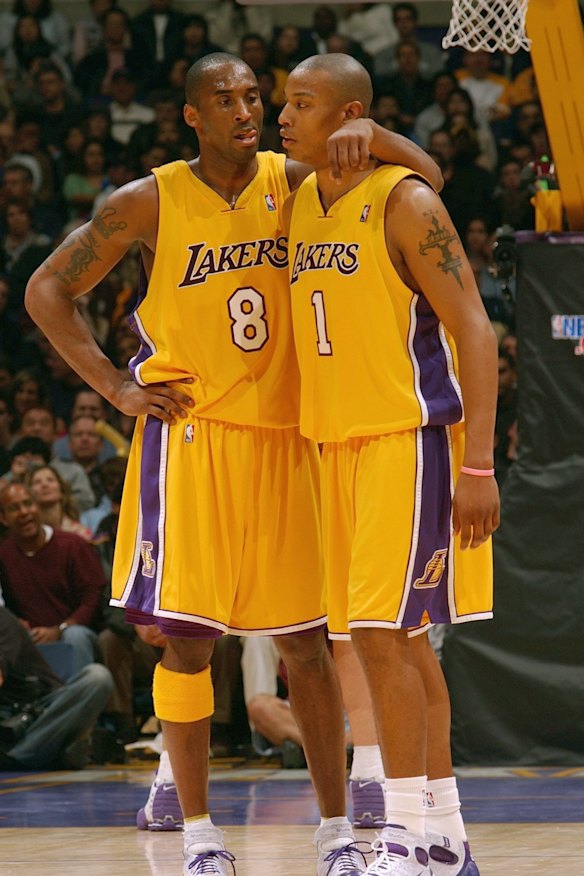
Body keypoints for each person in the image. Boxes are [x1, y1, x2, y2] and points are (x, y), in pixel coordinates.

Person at [24, 52, 442, 876]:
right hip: (194, 439)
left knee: (307, 646)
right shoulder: (148, 199)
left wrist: (373, 129)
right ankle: (198, 833)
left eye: (255, 96)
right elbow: (47, 289)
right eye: (225, 99)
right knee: (186, 645)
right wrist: (112, 384)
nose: (246, 110)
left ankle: (334, 834)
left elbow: (425, 184)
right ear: (192, 116)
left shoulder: (299, 176)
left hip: (290, 437)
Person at [280, 53, 499, 875]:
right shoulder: (302, 199)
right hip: (331, 445)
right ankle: (442, 839)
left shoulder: (405, 200)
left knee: (380, 636)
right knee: (394, 642)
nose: (283, 118)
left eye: (302, 104)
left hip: (405, 439)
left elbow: (475, 328)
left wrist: (477, 465)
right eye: (284, 103)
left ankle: (406, 835)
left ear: (351, 115)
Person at [0, 483, 104, 675]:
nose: (24, 512)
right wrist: (16, 623)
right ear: (3, 518)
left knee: (75, 635)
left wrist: (60, 628)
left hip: (76, 631)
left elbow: (93, 598)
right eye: (14, 508)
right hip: (31, 639)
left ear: (37, 507)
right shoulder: (4, 555)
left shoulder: (72, 545)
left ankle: (78, 695)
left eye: (28, 504)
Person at [0, 603, 113, 771]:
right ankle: (44, 755)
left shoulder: (3, 620)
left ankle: (17, 756)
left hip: (39, 713)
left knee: (97, 678)